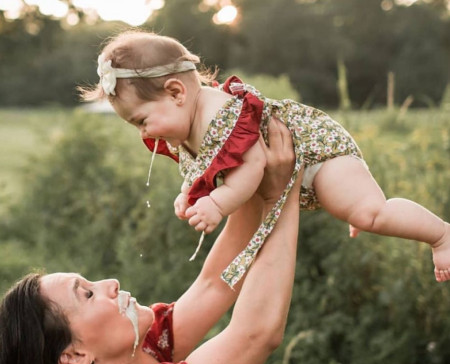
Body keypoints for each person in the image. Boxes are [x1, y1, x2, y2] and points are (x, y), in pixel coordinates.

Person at [0, 121, 300, 364]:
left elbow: (214, 284)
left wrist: (244, 163)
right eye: (87, 293)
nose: (110, 283)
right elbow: (255, 335)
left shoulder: (139, 349)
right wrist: (279, 197)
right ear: (74, 354)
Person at [80, 30, 450, 288]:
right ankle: (356, 202)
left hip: (319, 152)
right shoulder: (186, 124)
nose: (143, 133)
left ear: (176, 91)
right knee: (355, 209)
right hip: (301, 168)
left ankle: (441, 236)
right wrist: (190, 193)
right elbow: (206, 167)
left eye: (141, 121)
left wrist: (218, 203)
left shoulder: (217, 114)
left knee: (370, 214)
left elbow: (254, 165)